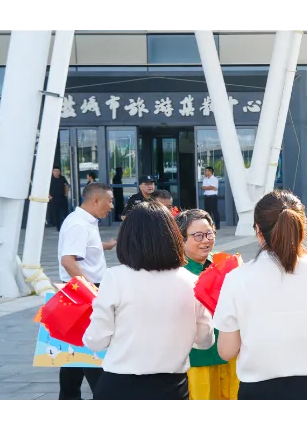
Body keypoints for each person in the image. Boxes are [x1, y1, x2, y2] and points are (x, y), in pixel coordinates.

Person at [212, 190, 307, 403]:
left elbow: (226, 351)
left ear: (258, 230)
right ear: (301, 228)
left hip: (258, 391)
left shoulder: (236, 278)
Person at [83, 201, 214, 403]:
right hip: (172, 388)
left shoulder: (115, 277)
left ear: (128, 239)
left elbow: (96, 340)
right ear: (173, 237)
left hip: (119, 386)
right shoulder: (192, 281)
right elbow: (205, 341)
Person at [57, 182, 116, 404]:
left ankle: (69, 399)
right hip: (83, 292)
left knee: (73, 357)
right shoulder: (78, 224)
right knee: (92, 353)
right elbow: (68, 261)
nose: (112, 206)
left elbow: (83, 250)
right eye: (110, 200)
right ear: (96, 200)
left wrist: (106, 245)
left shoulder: (85, 222)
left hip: (81, 290)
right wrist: (91, 291)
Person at [176, 208, 240, 401]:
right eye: (198, 236)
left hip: (230, 352)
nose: (205, 240)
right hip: (198, 358)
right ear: (180, 239)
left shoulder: (224, 263)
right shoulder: (176, 272)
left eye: (209, 234)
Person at [48, 166, 70, 231]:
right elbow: (46, 188)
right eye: (55, 171)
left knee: (64, 213)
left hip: (62, 198)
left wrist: (66, 194)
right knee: (56, 213)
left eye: (58, 171)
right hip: (54, 199)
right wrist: (49, 196)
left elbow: (66, 185)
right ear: (53, 172)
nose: (57, 172)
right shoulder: (50, 179)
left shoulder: (62, 178)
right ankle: (58, 227)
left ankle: (67, 226)